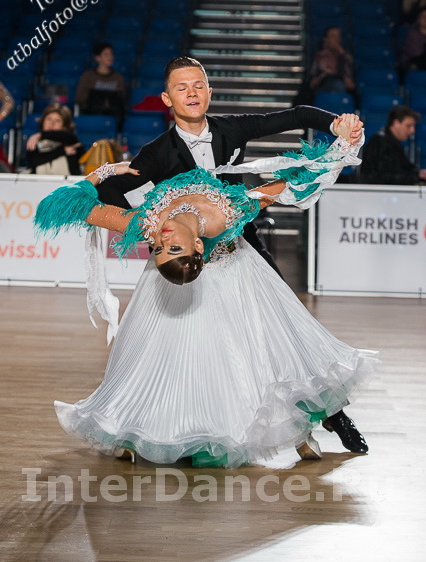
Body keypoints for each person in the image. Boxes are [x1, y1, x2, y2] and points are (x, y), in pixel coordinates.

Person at [35, 114, 377, 467]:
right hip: (218, 276)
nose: (162, 240)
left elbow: (68, 203)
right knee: (192, 362)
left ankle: (297, 431)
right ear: (196, 245)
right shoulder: (226, 214)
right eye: (171, 248)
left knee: (262, 351)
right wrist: (343, 145)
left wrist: (104, 172)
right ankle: (145, 431)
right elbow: (293, 182)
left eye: (160, 249)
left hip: (234, 273)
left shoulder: (146, 225)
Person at [96, 56, 363, 278]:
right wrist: (146, 228)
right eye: (182, 88)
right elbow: (109, 189)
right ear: (167, 99)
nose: (192, 93)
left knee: (277, 299)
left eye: (198, 86)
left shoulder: (232, 128)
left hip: (239, 238)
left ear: (209, 93)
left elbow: (297, 115)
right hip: (187, 251)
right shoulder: (156, 152)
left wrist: (335, 125)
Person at [359, 105, 426, 184]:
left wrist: (418, 174)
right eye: (408, 126)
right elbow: (384, 177)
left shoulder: (392, 142)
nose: (412, 130)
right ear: (396, 123)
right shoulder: (380, 143)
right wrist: (417, 175)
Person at [75, 42, 126, 125]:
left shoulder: (118, 77)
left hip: (112, 116)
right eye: (106, 54)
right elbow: (79, 98)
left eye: (111, 54)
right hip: (91, 113)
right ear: (98, 58)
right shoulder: (88, 75)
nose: (110, 57)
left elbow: (121, 99)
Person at [25, 104, 84, 175]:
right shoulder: (35, 142)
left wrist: (41, 135)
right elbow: (34, 161)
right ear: (43, 121)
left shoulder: (70, 141)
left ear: (64, 125)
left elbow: (66, 136)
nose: (52, 123)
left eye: (58, 121)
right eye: (49, 119)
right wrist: (63, 151)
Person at [308, 27, 356, 97]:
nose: (336, 39)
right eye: (333, 36)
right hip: (323, 86)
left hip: (343, 87)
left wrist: (341, 53)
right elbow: (313, 79)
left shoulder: (345, 55)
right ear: (326, 39)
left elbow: (349, 73)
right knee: (337, 85)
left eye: (338, 36)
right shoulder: (319, 55)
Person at [400, 7, 426, 73]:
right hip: (416, 65)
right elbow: (416, 54)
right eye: (423, 16)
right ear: (418, 19)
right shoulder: (413, 34)